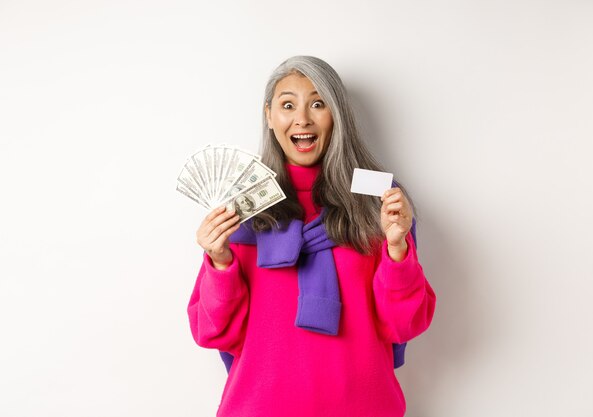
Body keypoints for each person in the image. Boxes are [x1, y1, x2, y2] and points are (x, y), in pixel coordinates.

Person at [187, 56, 436, 417]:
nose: (302, 118)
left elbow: (404, 325)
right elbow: (213, 334)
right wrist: (220, 262)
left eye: (317, 104)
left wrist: (397, 248)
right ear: (270, 116)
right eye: (288, 105)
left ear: (337, 115)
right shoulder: (243, 210)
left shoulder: (378, 201)